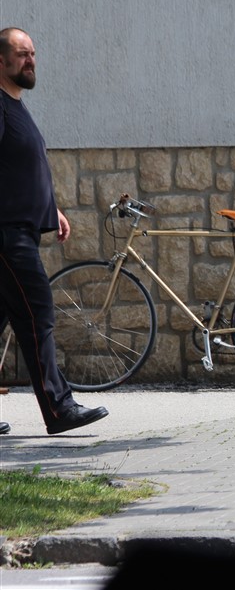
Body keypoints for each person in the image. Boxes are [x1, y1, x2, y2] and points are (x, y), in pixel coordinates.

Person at [0, 27, 109, 436]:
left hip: (20, 229)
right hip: (7, 234)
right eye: (21, 54)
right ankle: (59, 408)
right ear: (1, 61)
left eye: (32, 53)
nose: (30, 60)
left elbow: (19, 169)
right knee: (37, 313)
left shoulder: (15, 106)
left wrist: (52, 208)